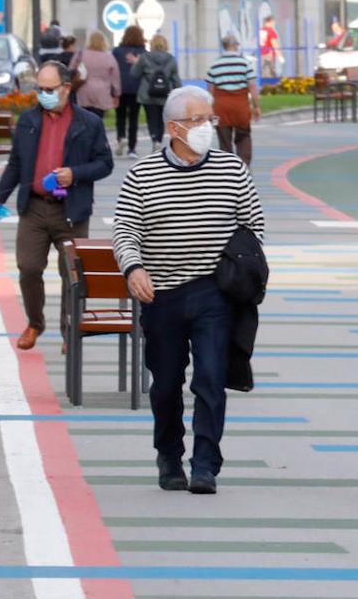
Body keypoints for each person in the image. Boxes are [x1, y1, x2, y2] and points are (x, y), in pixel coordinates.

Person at [113, 86, 265, 495]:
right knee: (165, 383)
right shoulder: (142, 175)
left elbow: (253, 226)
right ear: (174, 127)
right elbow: (125, 230)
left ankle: (205, 464)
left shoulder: (232, 170)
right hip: (160, 294)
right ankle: (168, 455)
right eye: (198, 120)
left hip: (213, 292)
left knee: (211, 378)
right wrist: (134, 268)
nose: (207, 127)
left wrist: (238, 264)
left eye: (210, 119)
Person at [0, 62, 114, 351]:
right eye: (39, 90)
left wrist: (75, 174)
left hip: (71, 210)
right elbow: (16, 164)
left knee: (71, 273)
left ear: (66, 88)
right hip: (34, 208)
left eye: (48, 89)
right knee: (28, 267)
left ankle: (69, 330)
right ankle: (35, 323)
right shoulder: (30, 121)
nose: (42, 95)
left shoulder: (88, 123)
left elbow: (105, 164)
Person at [206, 35, 260, 166]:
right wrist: (256, 106)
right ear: (235, 45)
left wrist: (209, 110)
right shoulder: (245, 63)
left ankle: (227, 167)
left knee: (224, 140)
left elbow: (210, 92)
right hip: (240, 106)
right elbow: (252, 87)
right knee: (244, 136)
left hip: (221, 108)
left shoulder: (214, 65)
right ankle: (244, 165)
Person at [133, 34, 182, 154]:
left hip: (147, 94)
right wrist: (179, 92)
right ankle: (159, 141)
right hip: (165, 94)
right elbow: (175, 78)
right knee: (161, 119)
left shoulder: (144, 57)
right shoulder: (171, 59)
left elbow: (135, 73)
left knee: (151, 118)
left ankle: (154, 139)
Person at [69, 32, 121, 120]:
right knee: (98, 118)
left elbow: (70, 69)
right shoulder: (109, 57)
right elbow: (115, 78)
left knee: (84, 119)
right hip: (102, 91)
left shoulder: (80, 54)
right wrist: (117, 94)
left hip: (83, 89)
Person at [112, 25, 147, 158]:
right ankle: (132, 148)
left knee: (120, 116)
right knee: (134, 118)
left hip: (120, 87)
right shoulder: (143, 52)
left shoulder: (117, 51)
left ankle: (121, 138)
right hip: (137, 88)